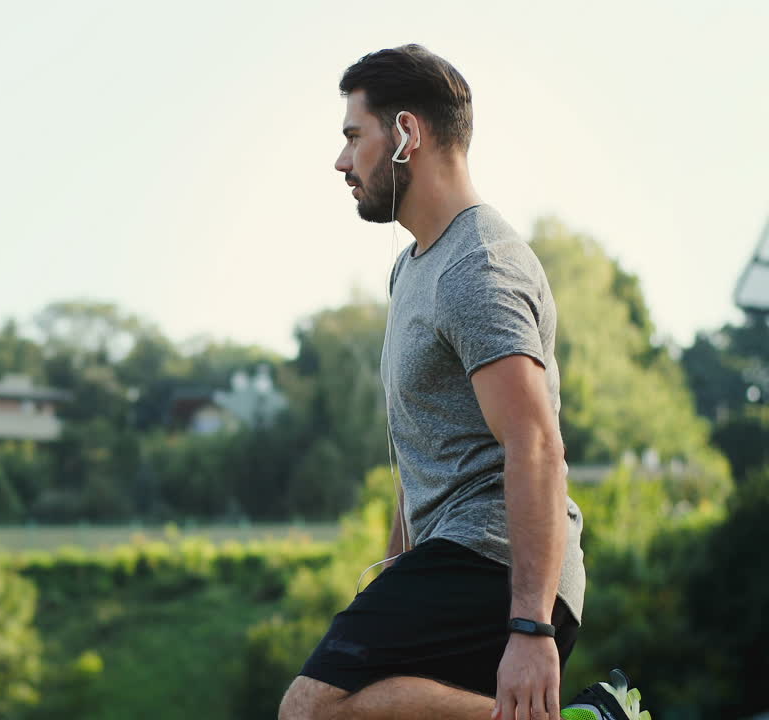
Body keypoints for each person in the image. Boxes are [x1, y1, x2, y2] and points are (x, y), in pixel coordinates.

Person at [277, 45, 650, 720]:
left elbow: (534, 445)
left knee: (312, 709)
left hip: (496, 561)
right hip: (455, 558)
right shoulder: (414, 268)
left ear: (407, 136)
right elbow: (421, 450)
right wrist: (394, 571)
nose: (341, 162)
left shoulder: (478, 267)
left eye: (353, 137)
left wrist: (531, 627)